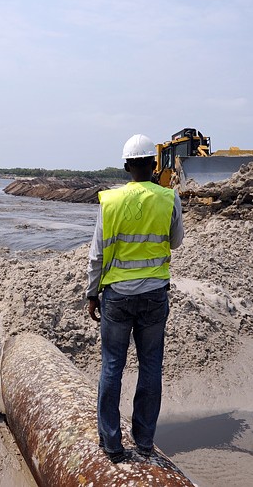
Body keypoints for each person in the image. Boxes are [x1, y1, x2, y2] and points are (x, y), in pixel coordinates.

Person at [86, 133, 184, 463]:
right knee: (151, 367)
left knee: (112, 367)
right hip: (155, 295)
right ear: (155, 164)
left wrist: (91, 292)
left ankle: (112, 444)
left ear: (126, 166)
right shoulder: (170, 198)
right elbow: (175, 242)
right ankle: (143, 442)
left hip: (116, 297)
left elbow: (97, 255)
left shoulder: (110, 201)